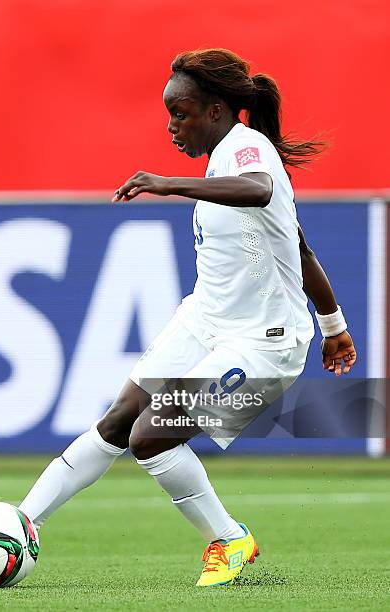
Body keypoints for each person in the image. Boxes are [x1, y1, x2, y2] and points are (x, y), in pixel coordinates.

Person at [19, 48, 357, 586]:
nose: (172, 126)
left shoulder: (248, 149)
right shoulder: (222, 161)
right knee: (119, 419)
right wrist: (335, 326)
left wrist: (167, 182)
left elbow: (260, 190)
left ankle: (230, 540)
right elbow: (299, 247)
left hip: (265, 342)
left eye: (182, 113)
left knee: (151, 436)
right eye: (169, 113)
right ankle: (21, 525)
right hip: (206, 319)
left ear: (217, 111)